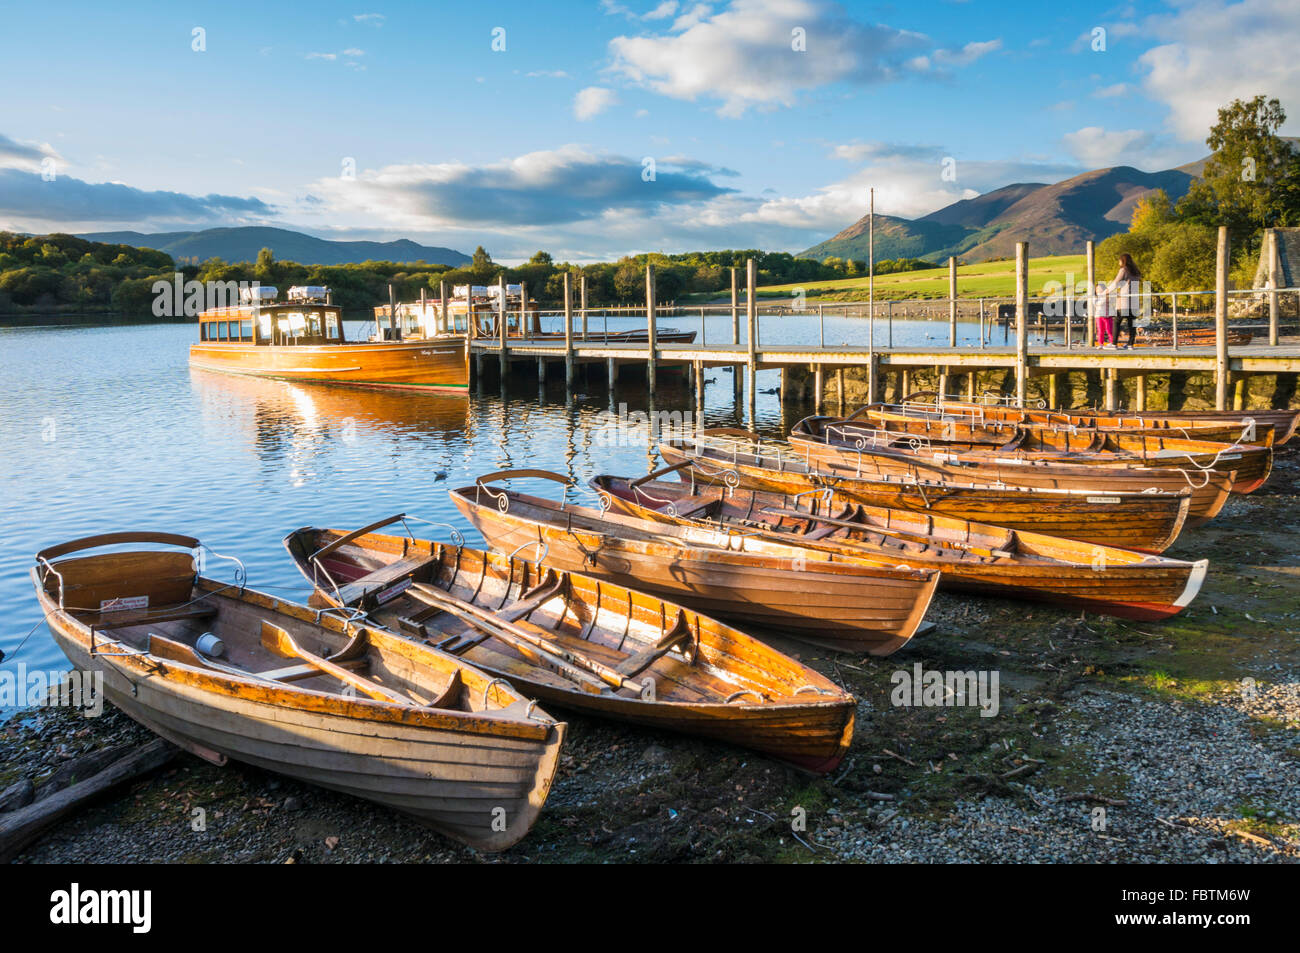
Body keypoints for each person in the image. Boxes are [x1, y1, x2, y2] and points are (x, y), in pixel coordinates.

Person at [1109, 253, 1142, 349]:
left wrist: (1106, 291)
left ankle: (1114, 343)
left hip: (1124, 301)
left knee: (1117, 321)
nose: (1118, 262)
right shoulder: (1136, 272)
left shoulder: (1124, 270)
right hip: (1135, 302)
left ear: (1123, 261)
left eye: (1119, 260)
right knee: (1131, 323)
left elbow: (1116, 283)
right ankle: (1131, 344)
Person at [1094, 280, 1115, 347]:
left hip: (1108, 316)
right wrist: (1104, 297)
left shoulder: (1108, 296)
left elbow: (1112, 302)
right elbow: (1097, 304)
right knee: (1100, 331)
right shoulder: (1095, 298)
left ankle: (1112, 342)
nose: (1098, 290)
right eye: (1097, 288)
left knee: (1109, 330)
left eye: (1100, 288)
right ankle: (1101, 344)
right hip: (1099, 316)